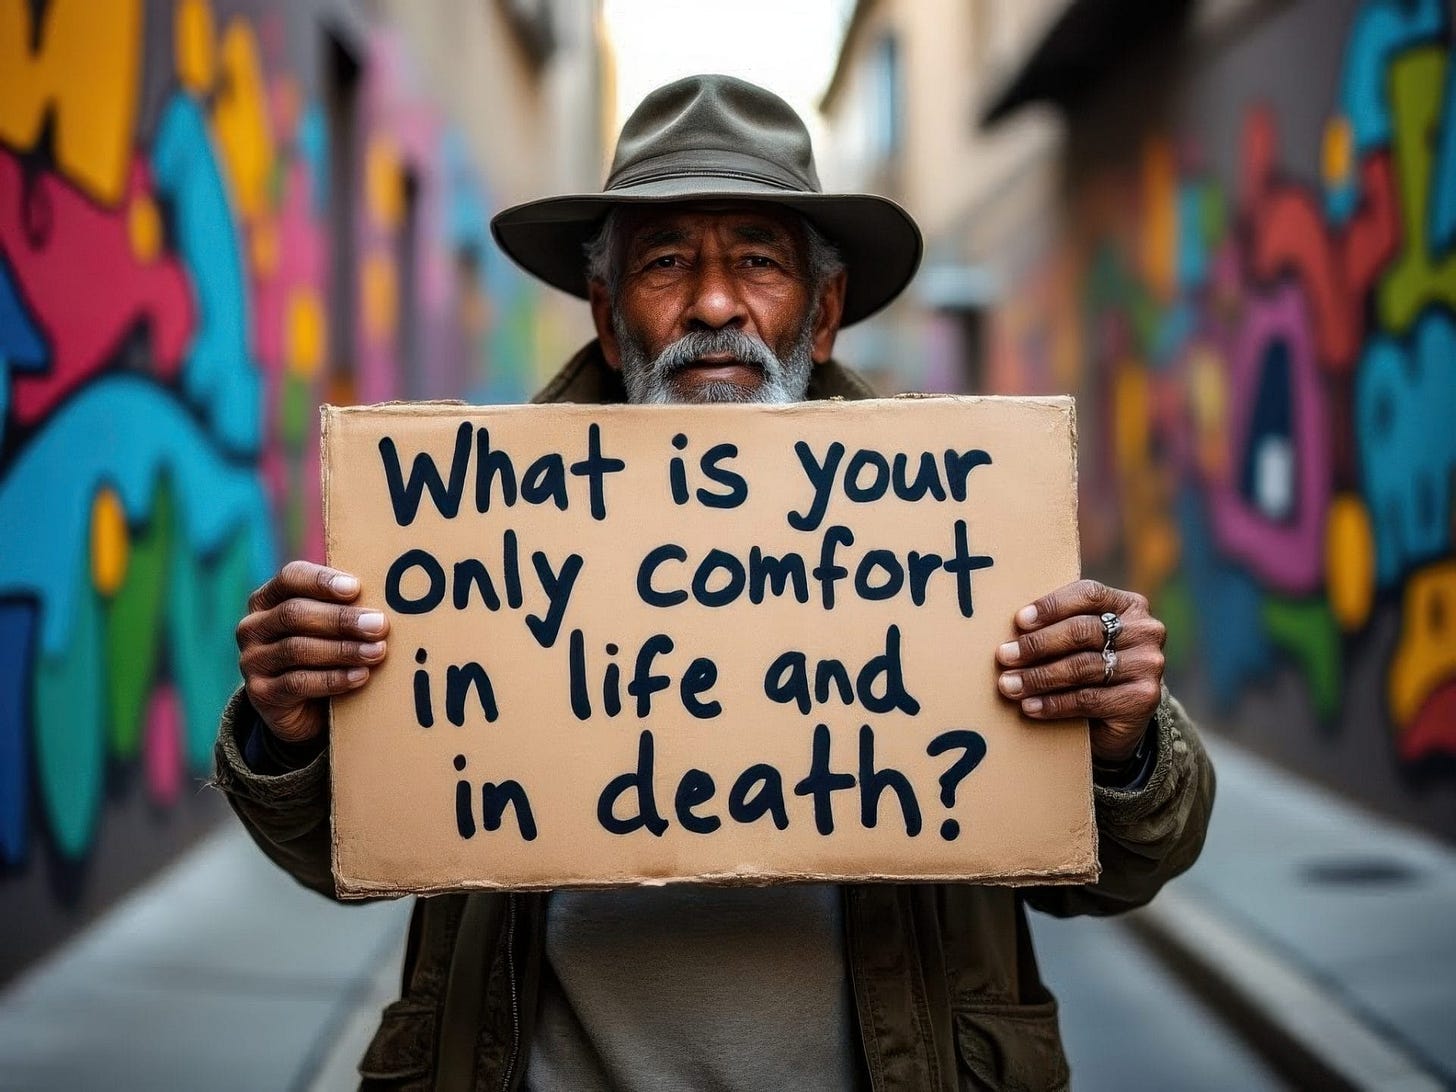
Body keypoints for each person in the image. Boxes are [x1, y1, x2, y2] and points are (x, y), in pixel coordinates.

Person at [216, 75, 1214, 1091]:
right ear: (609, 319)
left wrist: (1119, 745)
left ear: (821, 314)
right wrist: (289, 734)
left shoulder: (956, 530)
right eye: (663, 263)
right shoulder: (476, 537)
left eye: (756, 261)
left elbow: (1120, 871)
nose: (713, 303)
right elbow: (350, 853)